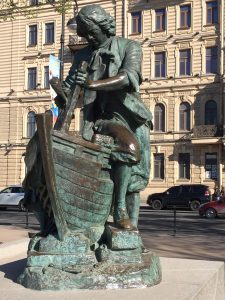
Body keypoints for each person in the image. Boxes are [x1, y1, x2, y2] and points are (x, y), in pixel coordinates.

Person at [56, 5, 152, 230]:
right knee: (127, 150)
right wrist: (62, 92)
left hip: (131, 116)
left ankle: (129, 227)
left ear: (103, 26)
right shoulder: (82, 54)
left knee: (135, 173)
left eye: (91, 32)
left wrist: (93, 84)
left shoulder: (130, 46)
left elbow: (128, 77)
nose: (88, 38)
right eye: (84, 34)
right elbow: (71, 92)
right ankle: (117, 210)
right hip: (101, 119)